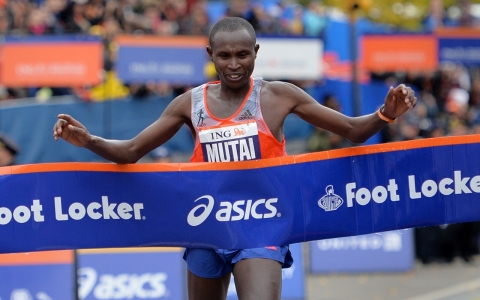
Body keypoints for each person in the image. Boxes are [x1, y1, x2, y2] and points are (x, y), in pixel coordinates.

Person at [53, 17, 416, 300]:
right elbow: (130, 152)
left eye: (243, 54)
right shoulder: (189, 104)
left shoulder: (278, 96)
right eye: (224, 56)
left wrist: (385, 113)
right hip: (207, 224)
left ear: (256, 51)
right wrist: (87, 140)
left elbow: (352, 130)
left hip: (260, 224)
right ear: (210, 56)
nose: (234, 64)